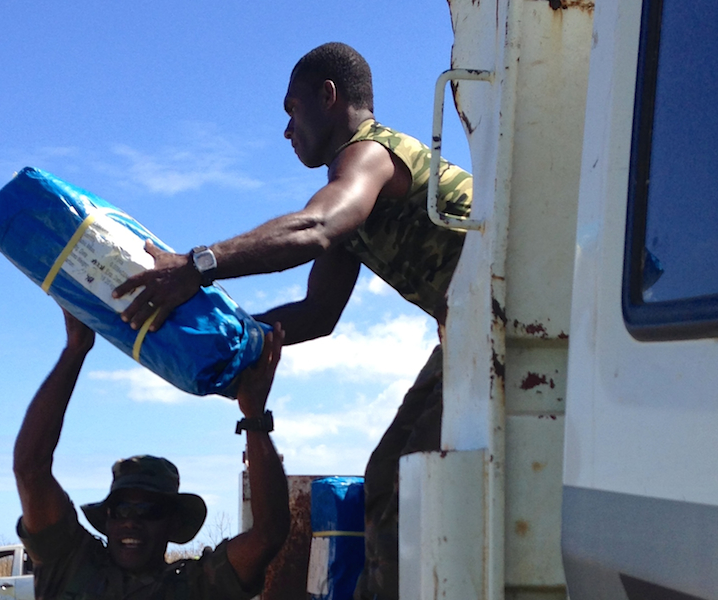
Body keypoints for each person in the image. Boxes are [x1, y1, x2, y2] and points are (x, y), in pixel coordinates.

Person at [111, 42, 473, 600]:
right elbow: (316, 314)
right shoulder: (357, 199)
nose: (286, 131)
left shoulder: (372, 154)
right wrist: (222, 340)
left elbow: (315, 226)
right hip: (474, 327)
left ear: (328, 97)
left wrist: (196, 266)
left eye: (292, 110)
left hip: (515, 310)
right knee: (388, 476)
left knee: (402, 480)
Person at [13, 309, 290, 599]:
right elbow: (30, 469)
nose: (132, 522)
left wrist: (254, 417)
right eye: (122, 510)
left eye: (150, 511)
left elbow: (268, 535)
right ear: (108, 519)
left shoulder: (196, 586)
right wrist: (75, 350)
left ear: (172, 523)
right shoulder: (70, 563)